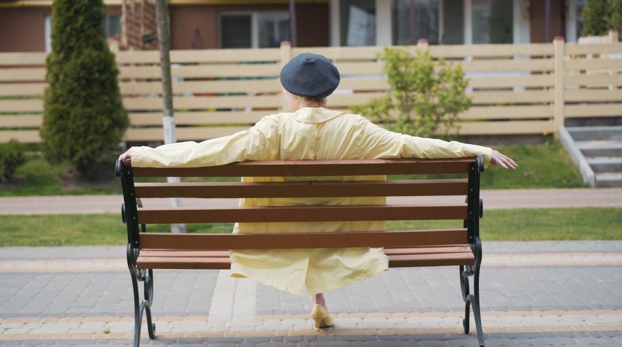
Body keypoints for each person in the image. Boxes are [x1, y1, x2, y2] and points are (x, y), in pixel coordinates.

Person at [119, 53, 517, 330]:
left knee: (294, 211)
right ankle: (319, 301)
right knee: (329, 212)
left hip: (278, 238)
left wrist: (146, 155)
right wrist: (476, 150)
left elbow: (209, 152)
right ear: (329, 91)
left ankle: (318, 300)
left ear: (291, 93)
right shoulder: (355, 128)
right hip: (344, 236)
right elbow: (414, 145)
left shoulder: (273, 129)